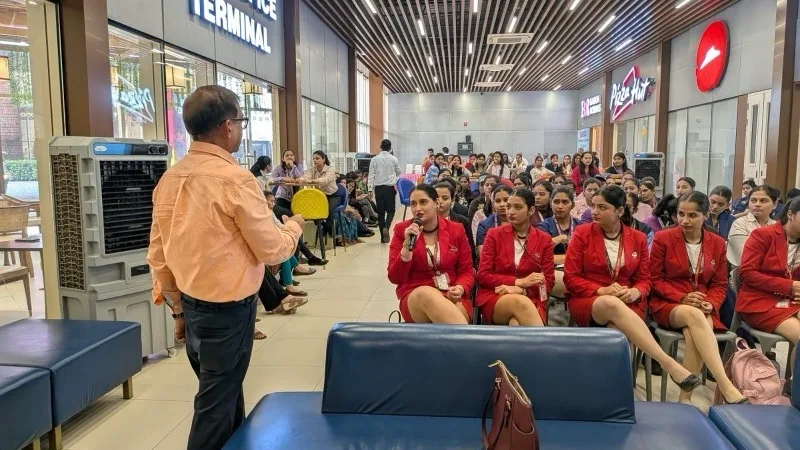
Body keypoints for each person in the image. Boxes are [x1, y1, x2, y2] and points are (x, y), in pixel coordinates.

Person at [147, 85, 305, 450]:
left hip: (191, 306)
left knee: (226, 396)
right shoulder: (235, 180)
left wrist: (177, 309)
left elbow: (158, 254)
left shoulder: (169, 179)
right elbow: (273, 251)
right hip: (228, 314)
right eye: (240, 121)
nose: (241, 129)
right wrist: (294, 226)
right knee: (214, 409)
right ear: (225, 126)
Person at [563, 185, 701, 394]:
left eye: (602, 207)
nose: (595, 212)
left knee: (617, 334)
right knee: (611, 303)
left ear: (619, 211)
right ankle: (669, 364)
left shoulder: (637, 238)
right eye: (593, 206)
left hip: (628, 304)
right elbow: (570, 278)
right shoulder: (582, 233)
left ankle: (610, 394)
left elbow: (645, 279)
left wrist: (636, 292)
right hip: (590, 301)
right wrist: (602, 290)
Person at [649, 192, 747, 405]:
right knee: (696, 316)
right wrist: (683, 297)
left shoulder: (718, 243)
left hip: (704, 305)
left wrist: (710, 302)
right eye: (681, 214)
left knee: (696, 331)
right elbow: (654, 280)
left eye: (692, 215)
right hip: (668, 303)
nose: (684, 220)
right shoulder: (663, 238)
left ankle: (685, 398)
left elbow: (720, 284)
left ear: (704, 215)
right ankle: (724, 383)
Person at [387, 184, 475, 324]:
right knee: (426, 293)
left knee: (447, 321)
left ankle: (462, 343)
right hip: (415, 295)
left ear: (436, 203)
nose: (418, 209)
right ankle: (471, 343)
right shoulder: (401, 230)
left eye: (423, 202)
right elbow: (395, 277)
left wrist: (459, 288)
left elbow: (467, 271)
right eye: (413, 204)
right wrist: (406, 249)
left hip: (451, 293)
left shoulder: (456, 229)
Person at [737, 197, 800, 375]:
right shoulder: (763, 235)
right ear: (790, 214)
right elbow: (747, 273)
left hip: (792, 301)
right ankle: (795, 389)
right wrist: (789, 286)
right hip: (760, 302)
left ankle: (791, 384)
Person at [477, 189, 555, 326]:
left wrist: (523, 290)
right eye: (509, 206)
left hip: (532, 298)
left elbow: (548, 283)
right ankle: (545, 345)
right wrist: (519, 282)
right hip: (496, 295)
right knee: (520, 303)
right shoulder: (493, 235)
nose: (510, 212)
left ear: (531, 210)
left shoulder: (545, 240)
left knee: (516, 324)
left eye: (517, 207)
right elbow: (483, 275)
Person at [537, 186, 580, 298]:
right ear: (551, 204)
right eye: (556, 202)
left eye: (565, 202)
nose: (560, 206)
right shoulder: (544, 226)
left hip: (577, 269)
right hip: (552, 270)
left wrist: (558, 258)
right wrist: (560, 238)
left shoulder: (580, 226)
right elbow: (539, 252)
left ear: (573, 205)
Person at [727, 184, 779, 270]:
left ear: (775, 204)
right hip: (744, 274)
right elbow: (744, 255)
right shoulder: (740, 223)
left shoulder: (776, 225)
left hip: (773, 273)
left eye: (763, 201)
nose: (757, 204)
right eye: (753, 200)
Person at [367, 139, 401, 243]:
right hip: (389, 188)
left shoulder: (374, 159)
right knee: (391, 211)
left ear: (380, 147)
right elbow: (399, 172)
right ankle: (386, 226)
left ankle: (383, 236)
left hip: (378, 188)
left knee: (381, 212)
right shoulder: (394, 159)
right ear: (390, 148)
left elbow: (371, 174)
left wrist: (369, 188)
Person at [299, 150, 339, 235]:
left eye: (317, 158)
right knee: (309, 209)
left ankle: (329, 234)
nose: (315, 160)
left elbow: (324, 181)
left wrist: (311, 181)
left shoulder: (330, 169)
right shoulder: (312, 170)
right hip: (319, 196)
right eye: (313, 159)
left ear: (324, 159)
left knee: (329, 211)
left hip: (332, 196)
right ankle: (322, 227)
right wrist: (303, 179)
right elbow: (304, 177)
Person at [436, 182, 476, 264]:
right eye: (436, 198)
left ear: (452, 199)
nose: (440, 201)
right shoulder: (425, 222)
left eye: (445, 198)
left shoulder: (463, 222)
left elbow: (470, 250)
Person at [476, 185, 513, 253]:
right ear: (493, 203)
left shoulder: (521, 222)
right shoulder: (484, 225)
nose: (502, 204)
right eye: (498, 201)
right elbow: (484, 255)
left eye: (506, 200)